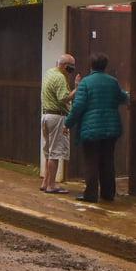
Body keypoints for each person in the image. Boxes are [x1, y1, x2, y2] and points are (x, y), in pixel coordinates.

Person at [63, 53, 128, 203]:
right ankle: (108, 193)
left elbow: (78, 106)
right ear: (105, 66)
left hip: (91, 128)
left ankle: (91, 195)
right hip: (111, 129)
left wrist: (68, 123)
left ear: (91, 65)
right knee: (108, 161)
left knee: (91, 162)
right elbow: (123, 97)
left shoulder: (86, 83)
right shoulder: (113, 82)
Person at [39, 54, 76, 193]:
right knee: (55, 153)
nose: (70, 71)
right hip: (57, 117)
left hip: (46, 115)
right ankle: (51, 185)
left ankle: (45, 182)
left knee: (48, 151)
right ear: (65, 66)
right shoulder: (60, 77)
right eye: (70, 68)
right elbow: (63, 98)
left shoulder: (49, 73)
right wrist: (77, 89)